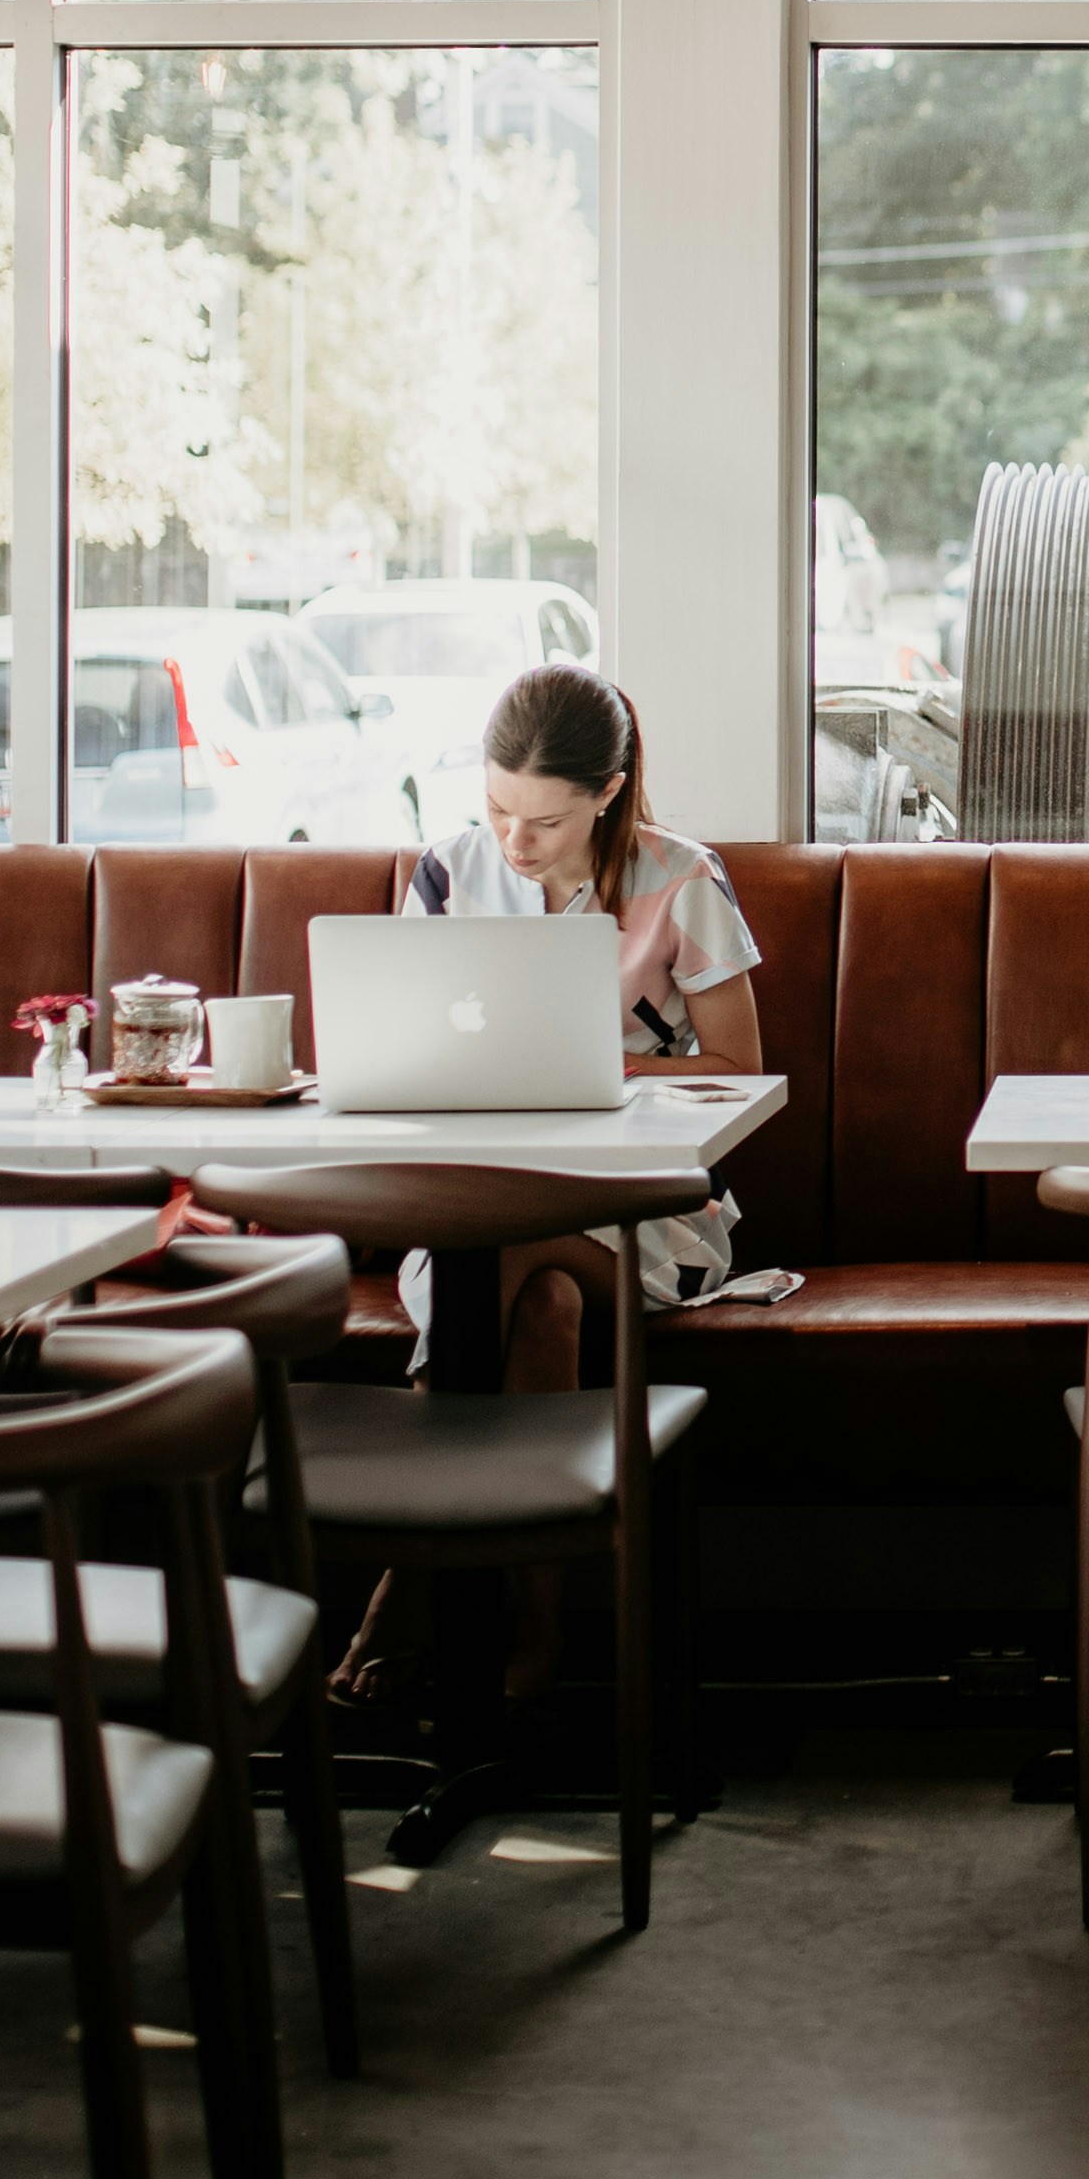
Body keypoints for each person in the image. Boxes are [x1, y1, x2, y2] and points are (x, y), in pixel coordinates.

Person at [331, 661, 761, 1709]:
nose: (515, 844)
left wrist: (590, 1064)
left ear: (607, 793)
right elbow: (405, 1052)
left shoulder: (682, 878)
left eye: (547, 822)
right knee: (543, 1308)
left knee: (504, 1245)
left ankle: (406, 1583)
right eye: (498, 812)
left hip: (653, 1216)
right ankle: (531, 1637)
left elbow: (742, 1068)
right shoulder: (443, 874)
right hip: (485, 1203)